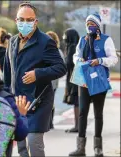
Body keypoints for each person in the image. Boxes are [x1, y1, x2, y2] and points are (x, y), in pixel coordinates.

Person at [3, 2, 67, 157]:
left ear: (36, 21)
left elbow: (61, 68)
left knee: (33, 141)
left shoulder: (45, 42)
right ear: (16, 20)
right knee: (21, 145)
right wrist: (7, 97)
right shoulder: (11, 42)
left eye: (29, 19)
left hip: (38, 101)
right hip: (19, 102)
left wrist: (38, 73)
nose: (25, 23)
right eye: (21, 19)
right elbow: (7, 72)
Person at [69, 13, 118, 157]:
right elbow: (75, 56)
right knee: (83, 112)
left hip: (99, 80)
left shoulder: (106, 40)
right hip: (84, 81)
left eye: (92, 24)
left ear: (97, 25)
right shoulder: (82, 40)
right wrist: (79, 59)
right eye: (87, 23)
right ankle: (81, 148)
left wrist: (100, 61)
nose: (89, 26)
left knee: (98, 114)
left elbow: (113, 59)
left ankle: (98, 148)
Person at [46, 31, 65, 129]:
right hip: (43, 81)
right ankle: (46, 123)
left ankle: (50, 123)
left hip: (52, 82)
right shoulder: (41, 50)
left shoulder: (58, 51)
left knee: (50, 102)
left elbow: (61, 68)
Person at [62, 28, 80, 133]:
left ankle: (77, 126)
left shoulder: (72, 48)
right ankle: (78, 125)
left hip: (75, 78)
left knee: (76, 102)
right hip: (75, 77)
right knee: (77, 102)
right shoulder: (76, 46)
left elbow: (68, 63)